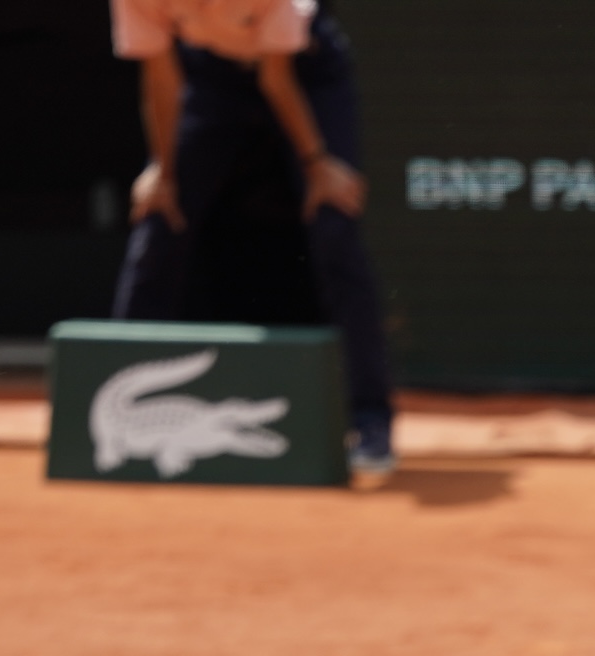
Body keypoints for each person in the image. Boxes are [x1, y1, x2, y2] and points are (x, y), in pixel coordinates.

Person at [109, 0, 397, 480]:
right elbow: (160, 75)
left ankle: (369, 421)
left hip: (305, 73)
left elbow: (276, 78)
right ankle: (111, 400)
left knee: (334, 228)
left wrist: (317, 165)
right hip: (210, 78)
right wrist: (163, 169)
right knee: (159, 220)